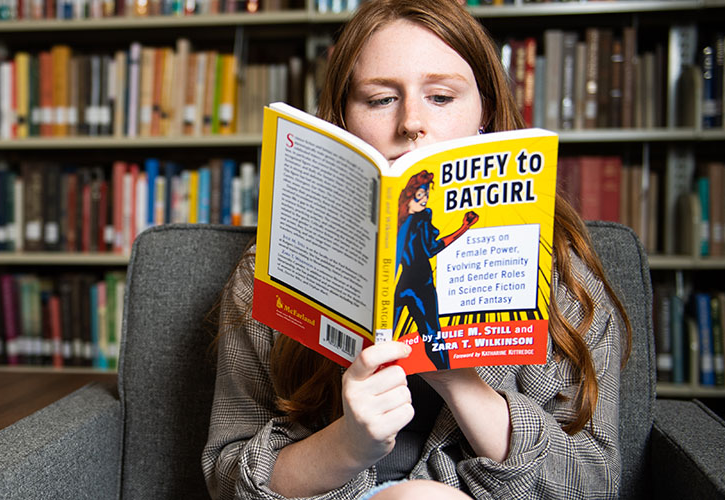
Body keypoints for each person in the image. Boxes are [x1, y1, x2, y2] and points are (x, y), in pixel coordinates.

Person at [201, 0, 633, 499]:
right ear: (342, 117)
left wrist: (461, 382)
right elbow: (226, 477)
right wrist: (349, 444)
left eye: (442, 97)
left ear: (485, 111)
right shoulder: (269, 270)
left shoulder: (564, 281)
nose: (411, 123)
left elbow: (595, 485)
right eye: (381, 99)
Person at [393, 170, 478, 371]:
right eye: (419, 195)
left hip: (416, 285)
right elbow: (428, 249)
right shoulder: (403, 219)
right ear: (408, 196)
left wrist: (464, 228)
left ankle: (444, 371)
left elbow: (432, 248)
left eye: (426, 195)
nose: (423, 200)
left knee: (432, 338)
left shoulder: (416, 219)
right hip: (409, 285)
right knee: (382, 340)